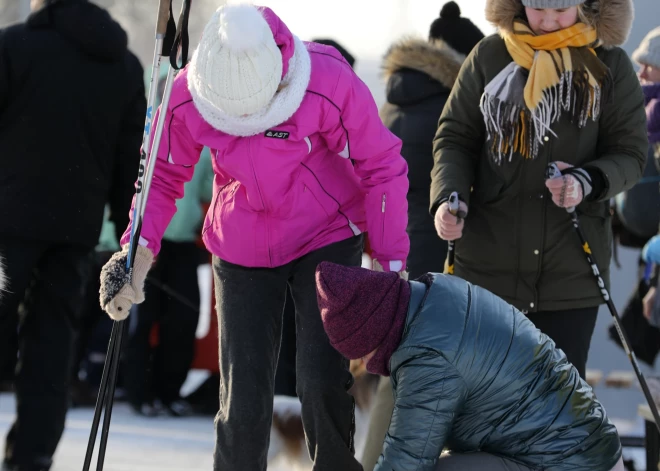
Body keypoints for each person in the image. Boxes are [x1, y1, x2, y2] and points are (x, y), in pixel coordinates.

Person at [99, 4, 409, 470]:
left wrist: (389, 266)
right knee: (242, 394)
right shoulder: (186, 94)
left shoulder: (325, 79)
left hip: (325, 228)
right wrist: (137, 250)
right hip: (241, 238)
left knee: (321, 381)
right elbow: (161, 175)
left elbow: (382, 165)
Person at [431, 0, 647, 379]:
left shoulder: (610, 65)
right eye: (536, 8)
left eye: (561, 10)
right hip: (486, 273)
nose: (547, 21)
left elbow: (629, 155)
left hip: (571, 277)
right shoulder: (491, 55)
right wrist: (448, 197)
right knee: (481, 407)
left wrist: (586, 181)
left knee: (558, 414)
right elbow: (454, 139)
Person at [0, 0, 145, 469]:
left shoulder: (14, 46)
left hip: (7, 222)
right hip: (74, 229)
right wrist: (131, 235)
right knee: (52, 343)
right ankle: (33, 454)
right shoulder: (122, 65)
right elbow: (130, 162)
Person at [316, 262, 625, 471]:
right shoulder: (437, 295)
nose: (367, 366)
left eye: (362, 353)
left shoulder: (428, 357)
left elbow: (408, 458)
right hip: (585, 447)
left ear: (373, 332)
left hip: (569, 462)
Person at [361, 4, 484, 468]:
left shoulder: (395, 100)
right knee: (438, 377)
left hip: (398, 256)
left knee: (402, 371)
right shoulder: (451, 108)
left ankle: (375, 460)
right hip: (444, 254)